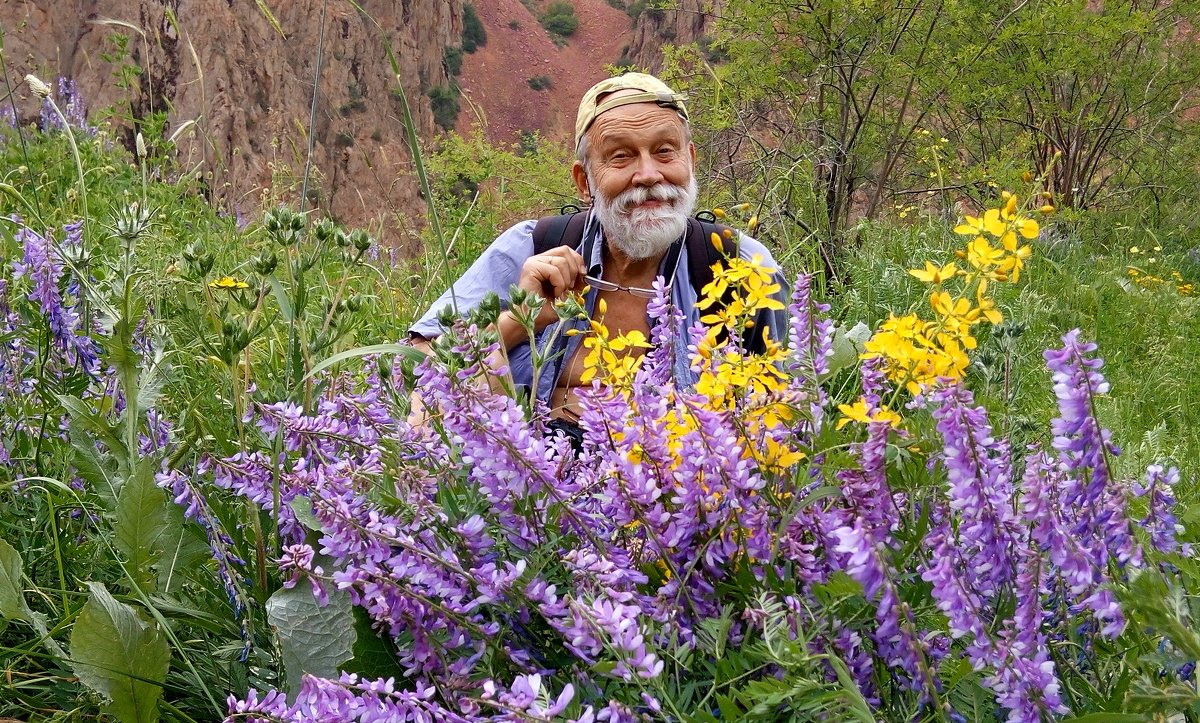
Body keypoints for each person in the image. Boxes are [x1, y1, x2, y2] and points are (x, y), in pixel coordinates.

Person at [409, 72, 788, 443]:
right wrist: (518, 321)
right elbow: (414, 368)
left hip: (672, 499)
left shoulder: (740, 265)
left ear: (689, 159)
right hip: (521, 488)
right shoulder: (532, 246)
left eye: (664, 151)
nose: (648, 174)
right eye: (620, 156)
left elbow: (785, 407)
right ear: (584, 181)